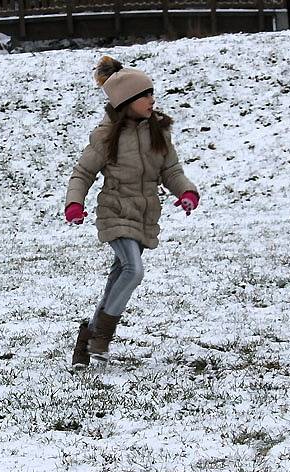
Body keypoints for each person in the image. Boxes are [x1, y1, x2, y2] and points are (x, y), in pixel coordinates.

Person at [65, 57, 200, 369]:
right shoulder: (107, 135)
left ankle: (86, 338)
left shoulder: (158, 134)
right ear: (127, 101)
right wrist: (74, 203)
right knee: (133, 271)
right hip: (116, 212)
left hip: (144, 215)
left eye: (152, 93)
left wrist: (187, 191)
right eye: (145, 95)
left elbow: (172, 171)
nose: (152, 100)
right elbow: (82, 173)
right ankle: (101, 338)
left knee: (119, 275)